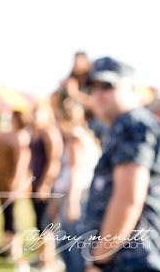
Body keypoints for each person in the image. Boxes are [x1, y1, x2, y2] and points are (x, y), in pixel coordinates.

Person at [82, 57, 160, 272]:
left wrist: (99, 260)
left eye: (107, 86)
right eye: (93, 87)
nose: (98, 94)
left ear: (131, 88)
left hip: (138, 262)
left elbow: (128, 199)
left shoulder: (132, 124)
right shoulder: (126, 125)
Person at [49, 99, 100, 272]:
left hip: (76, 195)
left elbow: (76, 171)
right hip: (82, 194)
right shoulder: (86, 137)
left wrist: (72, 201)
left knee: (72, 245)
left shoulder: (75, 140)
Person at [0, 110, 31, 266]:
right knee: (6, 214)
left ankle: (15, 250)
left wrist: (16, 183)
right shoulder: (8, 135)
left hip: (12, 182)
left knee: (11, 216)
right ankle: (6, 247)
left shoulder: (21, 136)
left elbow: (22, 161)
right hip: (3, 181)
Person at [29, 103, 63, 271]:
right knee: (38, 223)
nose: (34, 117)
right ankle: (41, 257)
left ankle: (48, 263)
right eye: (33, 113)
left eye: (38, 114)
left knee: (46, 223)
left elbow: (54, 161)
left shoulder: (50, 133)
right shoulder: (36, 133)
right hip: (35, 184)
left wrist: (46, 184)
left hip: (46, 185)